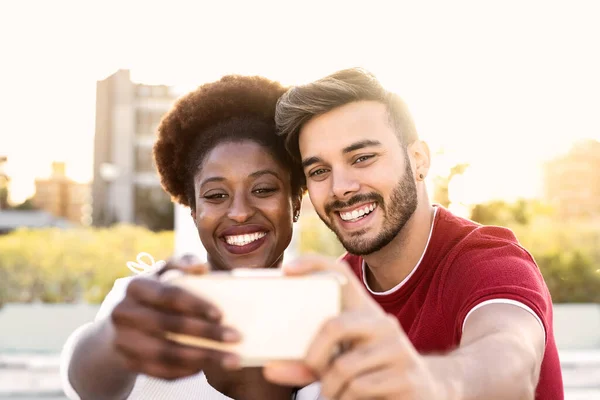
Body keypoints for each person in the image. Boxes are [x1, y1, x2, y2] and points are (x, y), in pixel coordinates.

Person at [263, 67, 563, 399]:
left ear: (418, 160)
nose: (341, 188)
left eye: (362, 158)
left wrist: (436, 381)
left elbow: (511, 359)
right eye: (319, 171)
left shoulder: (488, 263)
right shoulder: (338, 291)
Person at [60, 75, 319, 400]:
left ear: (295, 202)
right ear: (193, 210)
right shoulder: (151, 301)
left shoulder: (327, 312)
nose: (239, 212)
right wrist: (115, 336)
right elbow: (87, 382)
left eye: (263, 189)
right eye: (215, 195)